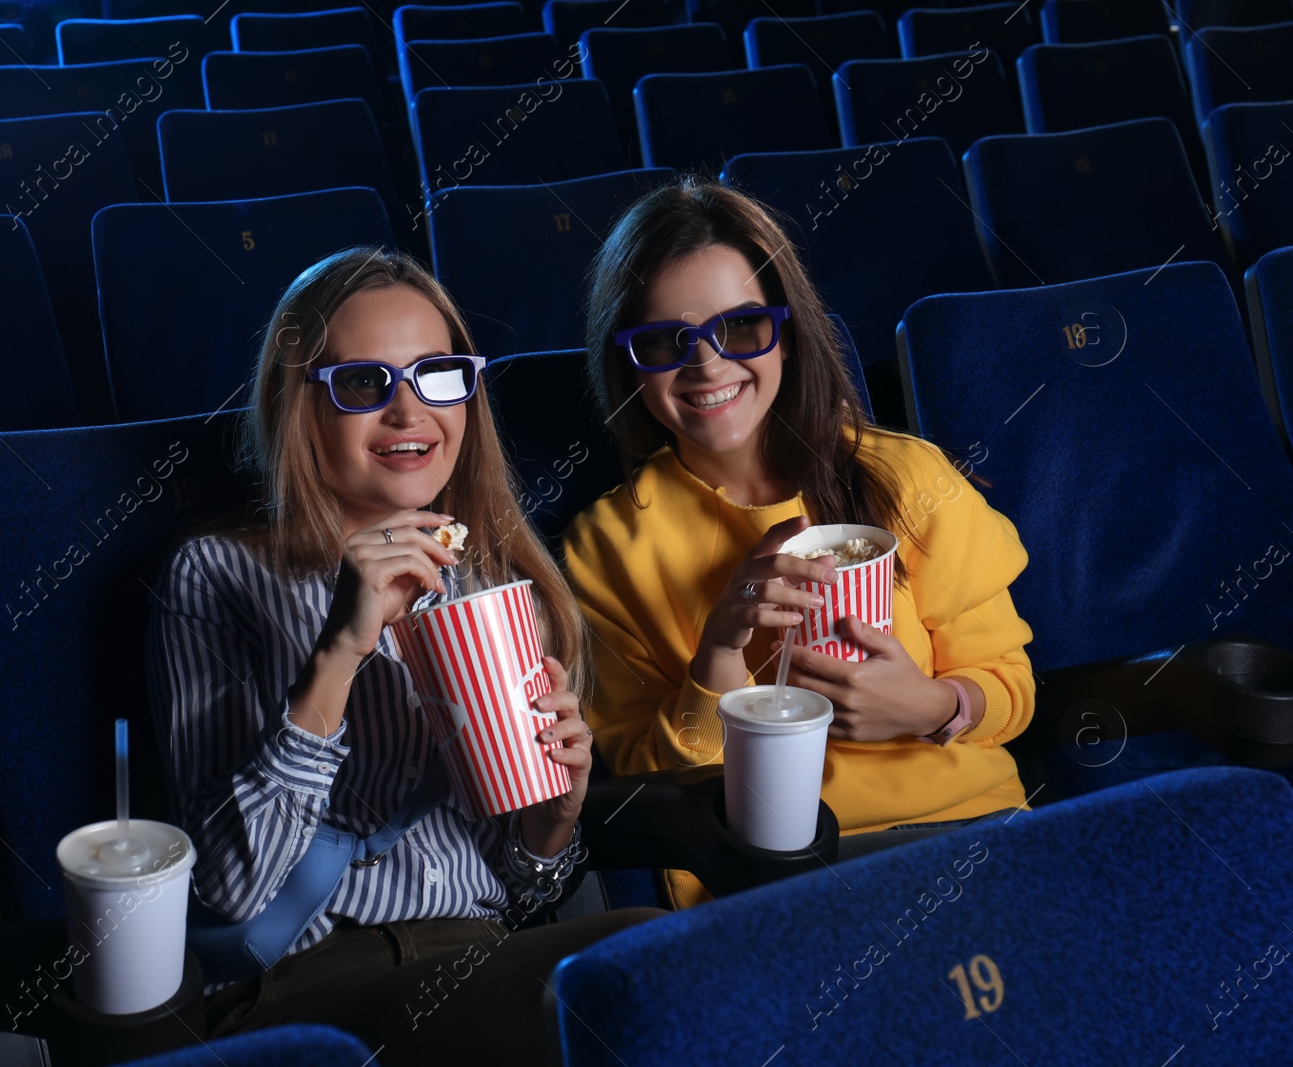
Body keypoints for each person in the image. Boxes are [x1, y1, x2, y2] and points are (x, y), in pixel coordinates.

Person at [145, 247, 661, 1062]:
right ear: (300, 407)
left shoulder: (488, 585)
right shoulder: (218, 575)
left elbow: (522, 891)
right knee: (633, 961)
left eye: (437, 374)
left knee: (664, 956)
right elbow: (231, 887)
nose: (409, 411)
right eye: (362, 384)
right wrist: (340, 650)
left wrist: (551, 824)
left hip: (479, 957)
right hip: (299, 986)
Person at [563, 179, 1035, 909]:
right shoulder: (605, 547)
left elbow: (1012, 686)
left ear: (786, 331)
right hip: (763, 871)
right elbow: (640, 782)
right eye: (665, 341)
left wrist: (934, 704)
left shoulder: (909, 478)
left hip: (966, 829)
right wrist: (717, 654)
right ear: (628, 361)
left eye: (743, 327)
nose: (708, 365)